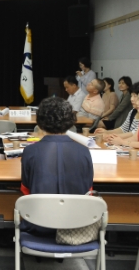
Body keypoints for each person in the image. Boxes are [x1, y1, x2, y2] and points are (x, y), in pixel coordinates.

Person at [20, 97, 93, 234]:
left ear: (40, 122)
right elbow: (88, 190)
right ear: (70, 121)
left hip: (38, 224)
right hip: (77, 225)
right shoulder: (84, 151)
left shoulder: (30, 151)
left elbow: (25, 189)